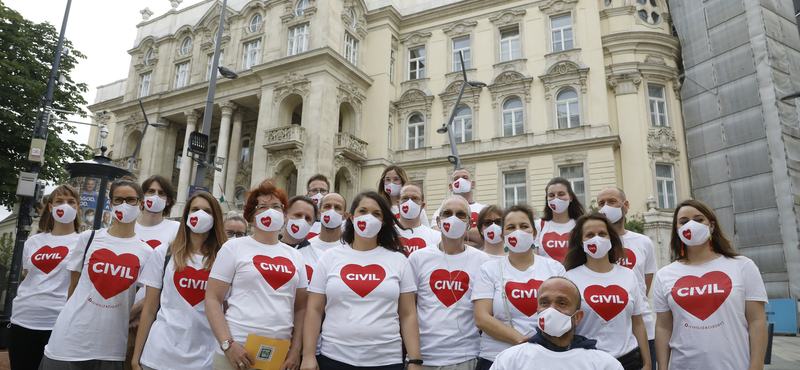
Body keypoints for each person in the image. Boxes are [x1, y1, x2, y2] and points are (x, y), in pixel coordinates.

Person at [300, 191, 421, 370]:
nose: (369, 217)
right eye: (363, 211)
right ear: (351, 217)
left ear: (384, 221)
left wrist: (415, 360)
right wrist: (308, 355)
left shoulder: (399, 260)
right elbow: (314, 309)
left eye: (376, 213)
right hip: (334, 357)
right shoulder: (329, 257)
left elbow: (408, 314)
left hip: (386, 360)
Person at [40, 179, 154, 369]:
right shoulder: (89, 238)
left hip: (111, 346)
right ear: (111, 203)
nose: (124, 205)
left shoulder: (147, 252)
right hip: (68, 340)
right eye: (118, 200)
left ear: (141, 204)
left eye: (131, 200)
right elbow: (73, 287)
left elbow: (151, 300)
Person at [205, 179, 307, 370]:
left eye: (276, 206)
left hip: (279, 355)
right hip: (237, 351)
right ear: (251, 218)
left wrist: (295, 352)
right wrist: (228, 344)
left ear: (284, 215)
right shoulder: (234, 247)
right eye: (262, 207)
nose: (270, 211)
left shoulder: (296, 256)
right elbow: (212, 298)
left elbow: (301, 308)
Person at [653, 199, 767, 370]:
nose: (691, 225)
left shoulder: (742, 266)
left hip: (735, 364)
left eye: (699, 220)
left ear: (711, 226)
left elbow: (757, 320)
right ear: (677, 230)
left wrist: (756, 366)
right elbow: (663, 326)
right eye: (683, 222)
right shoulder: (664, 275)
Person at [132, 191, 227, 370]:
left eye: (208, 211)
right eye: (195, 209)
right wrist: (136, 358)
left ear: (216, 218)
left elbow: (227, 311)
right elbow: (150, 309)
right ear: (186, 215)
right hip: (159, 355)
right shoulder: (164, 253)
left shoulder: (225, 259)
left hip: (205, 359)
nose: (200, 214)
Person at [472, 204, 567, 370]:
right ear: (503, 237)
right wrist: (525, 340)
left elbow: (565, 311)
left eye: (524, 226)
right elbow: (482, 318)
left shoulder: (555, 268)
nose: (518, 231)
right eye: (511, 227)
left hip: (545, 359)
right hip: (496, 359)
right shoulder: (489, 270)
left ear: (534, 233)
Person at [409, 195, 490, 369]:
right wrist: (413, 358)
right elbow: (409, 311)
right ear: (438, 221)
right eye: (447, 213)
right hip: (424, 358)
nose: (453, 218)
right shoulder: (417, 258)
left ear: (469, 224)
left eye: (460, 214)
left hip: (465, 358)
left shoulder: (483, 261)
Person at [563, 213, 650, 370]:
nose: (597, 238)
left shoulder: (628, 275)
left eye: (602, 233)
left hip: (629, 361)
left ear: (611, 238)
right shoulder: (569, 278)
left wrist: (647, 363)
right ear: (581, 243)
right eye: (590, 235)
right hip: (587, 362)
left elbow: (638, 322)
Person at [9, 185, 81, 370]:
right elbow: (30, 278)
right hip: (23, 319)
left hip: (59, 322)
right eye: (59, 201)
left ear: (77, 207)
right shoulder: (34, 242)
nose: (65, 205)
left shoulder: (84, 242)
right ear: (50, 207)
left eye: (71, 201)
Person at [490, 277, 624, 370]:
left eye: (562, 303)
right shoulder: (510, 360)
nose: (551, 310)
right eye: (544, 303)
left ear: (577, 317)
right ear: (538, 312)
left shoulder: (604, 364)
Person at [597, 187, 658, 369]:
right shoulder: (593, 244)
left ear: (625, 205)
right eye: (601, 203)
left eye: (612, 201)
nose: (606, 207)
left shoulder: (643, 242)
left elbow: (643, 287)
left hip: (644, 328)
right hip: (607, 332)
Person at [128, 176, 181, 369]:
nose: (155, 196)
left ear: (168, 201)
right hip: (117, 315)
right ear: (142, 197)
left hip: (151, 317)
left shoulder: (176, 230)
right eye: (150, 191)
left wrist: (136, 312)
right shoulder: (128, 226)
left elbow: (169, 281)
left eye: (161, 193)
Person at [430, 168, 485, 248]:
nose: (460, 180)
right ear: (450, 187)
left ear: (473, 184)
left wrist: (451, 233)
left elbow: (486, 235)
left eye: (465, 177)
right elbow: (436, 236)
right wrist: (474, 237)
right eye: (456, 178)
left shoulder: (484, 209)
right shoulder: (441, 212)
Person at [535, 177, 585, 262]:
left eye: (561, 194)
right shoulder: (538, 225)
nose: (556, 198)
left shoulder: (581, 225)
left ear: (570, 198)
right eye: (551, 195)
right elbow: (534, 259)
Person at [302, 193, 348, 284]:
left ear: (344, 216)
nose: (332, 211)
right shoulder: (307, 246)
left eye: (337, 208)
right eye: (327, 206)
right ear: (319, 213)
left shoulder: (351, 248)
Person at [396, 184, 440, 255]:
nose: (409, 202)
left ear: (422, 205)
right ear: (398, 204)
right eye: (405, 198)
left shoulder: (436, 237)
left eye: (415, 198)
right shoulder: (387, 235)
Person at [306, 174, 330, 239]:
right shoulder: (299, 218)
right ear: (307, 194)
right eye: (314, 190)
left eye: (322, 190)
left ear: (328, 194)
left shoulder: (334, 220)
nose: (318, 194)